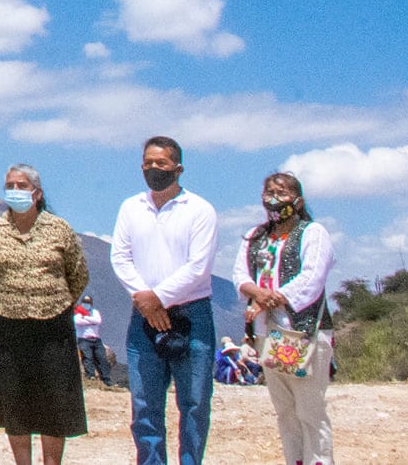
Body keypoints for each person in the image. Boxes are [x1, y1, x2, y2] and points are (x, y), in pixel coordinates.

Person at [0, 164, 90, 465]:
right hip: (9, 328)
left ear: (37, 193)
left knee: (54, 401)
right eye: (10, 185)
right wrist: (1, 303)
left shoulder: (59, 229)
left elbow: (78, 275)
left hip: (54, 327)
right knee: (15, 401)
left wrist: (55, 301)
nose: (15, 190)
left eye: (22, 185)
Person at [111, 136, 218, 465]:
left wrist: (159, 297)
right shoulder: (131, 207)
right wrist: (145, 299)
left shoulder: (200, 210)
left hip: (191, 314)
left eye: (161, 163)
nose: (154, 169)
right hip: (143, 316)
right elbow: (120, 257)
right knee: (144, 403)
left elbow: (198, 266)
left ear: (178, 168)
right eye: (148, 163)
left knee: (194, 402)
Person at [233, 172, 334, 465]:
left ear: (298, 200)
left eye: (282, 193)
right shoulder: (256, 237)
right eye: (269, 192)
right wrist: (257, 294)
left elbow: (311, 278)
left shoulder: (312, 233)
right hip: (269, 334)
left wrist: (268, 299)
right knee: (286, 409)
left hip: (302, 332)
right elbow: (240, 274)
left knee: (309, 409)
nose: (274, 199)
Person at [74, 295, 112, 386]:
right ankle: (90, 377)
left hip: (96, 339)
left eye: (88, 302)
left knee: (102, 358)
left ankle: (106, 379)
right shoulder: (77, 312)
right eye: (85, 302)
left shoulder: (95, 312)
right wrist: (92, 321)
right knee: (88, 358)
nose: (86, 304)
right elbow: (78, 322)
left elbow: (98, 321)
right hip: (84, 339)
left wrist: (86, 318)